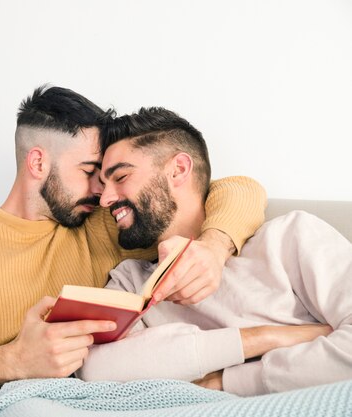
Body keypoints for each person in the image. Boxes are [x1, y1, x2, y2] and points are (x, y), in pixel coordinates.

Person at [0, 86, 268, 401]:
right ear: (37, 164)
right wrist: (9, 362)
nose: (103, 192)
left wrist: (215, 247)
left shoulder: (102, 224)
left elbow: (237, 190)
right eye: (89, 173)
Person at [78, 107, 351, 395]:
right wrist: (266, 337)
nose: (106, 200)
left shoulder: (289, 237)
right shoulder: (131, 281)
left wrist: (227, 381)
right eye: (103, 186)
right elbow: (96, 368)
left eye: (120, 178)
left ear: (178, 170)